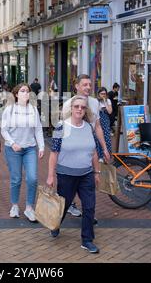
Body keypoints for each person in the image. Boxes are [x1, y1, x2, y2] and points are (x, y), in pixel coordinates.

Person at [46, 95, 100, 253]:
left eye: (83, 107)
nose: (79, 109)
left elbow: (94, 152)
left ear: (86, 110)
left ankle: (87, 239)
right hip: (66, 175)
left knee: (89, 207)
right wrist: (50, 175)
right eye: (76, 106)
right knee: (64, 205)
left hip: (86, 175)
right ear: (71, 108)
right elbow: (54, 153)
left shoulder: (89, 127)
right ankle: (55, 224)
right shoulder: (61, 127)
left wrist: (96, 172)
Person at [62, 74, 110, 218]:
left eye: (90, 84)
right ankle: (67, 206)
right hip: (73, 150)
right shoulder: (69, 104)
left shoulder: (95, 103)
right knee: (71, 184)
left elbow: (98, 126)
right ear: (77, 86)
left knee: (88, 182)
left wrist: (105, 147)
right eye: (85, 84)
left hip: (89, 148)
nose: (88, 87)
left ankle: (88, 212)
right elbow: (64, 129)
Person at [1, 83, 44, 222]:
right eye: (23, 91)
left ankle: (29, 208)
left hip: (30, 148)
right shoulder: (10, 110)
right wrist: (12, 143)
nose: (26, 93)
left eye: (28, 91)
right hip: (13, 149)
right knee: (16, 178)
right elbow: (4, 130)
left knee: (32, 178)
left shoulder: (33, 109)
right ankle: (14, 206)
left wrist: (42, 146)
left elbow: (38, 129)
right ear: (16, 94)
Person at [96, 87, 113, 161]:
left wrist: (105, 102)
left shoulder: (108, 101)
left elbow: (110, 111)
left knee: (106, 136)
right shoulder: (96, 101)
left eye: (104, 94)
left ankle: (107, 155)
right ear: (98, 94)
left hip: (105, 119)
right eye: (101, 94)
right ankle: (99, 155)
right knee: (98, 137)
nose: (103, 95)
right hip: (98, 119)